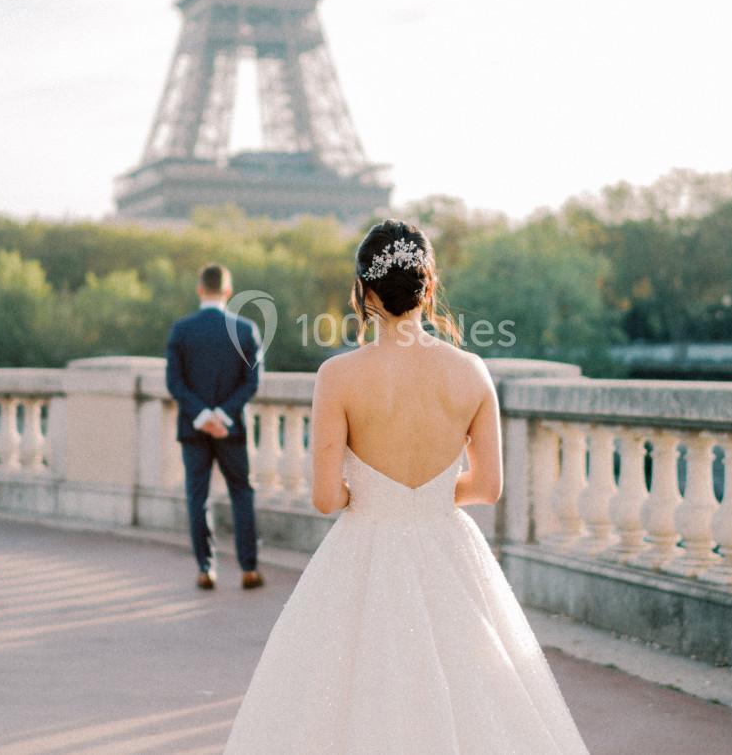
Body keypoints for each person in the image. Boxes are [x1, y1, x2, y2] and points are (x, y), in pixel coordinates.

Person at [223, 221, 590, 753]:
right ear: (430, 287)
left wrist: (379, 497)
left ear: (364, 294)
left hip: (365, 549)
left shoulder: (338, 376)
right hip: (449, 549)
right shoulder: (472, 371)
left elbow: (327, 497)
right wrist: (426, 498)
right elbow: (488, 486)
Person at [165, 263, 264, 591]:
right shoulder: (246, 329)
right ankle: (249, 568)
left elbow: (175, 383)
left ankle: (206, 568)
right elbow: (252, 382)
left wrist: (202, 416)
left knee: (198, 496)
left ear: (199, 289)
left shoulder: (181, 330)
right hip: (231, 429)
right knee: (241, 493)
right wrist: (222, 415)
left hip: (193, 429)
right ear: (228, 292)